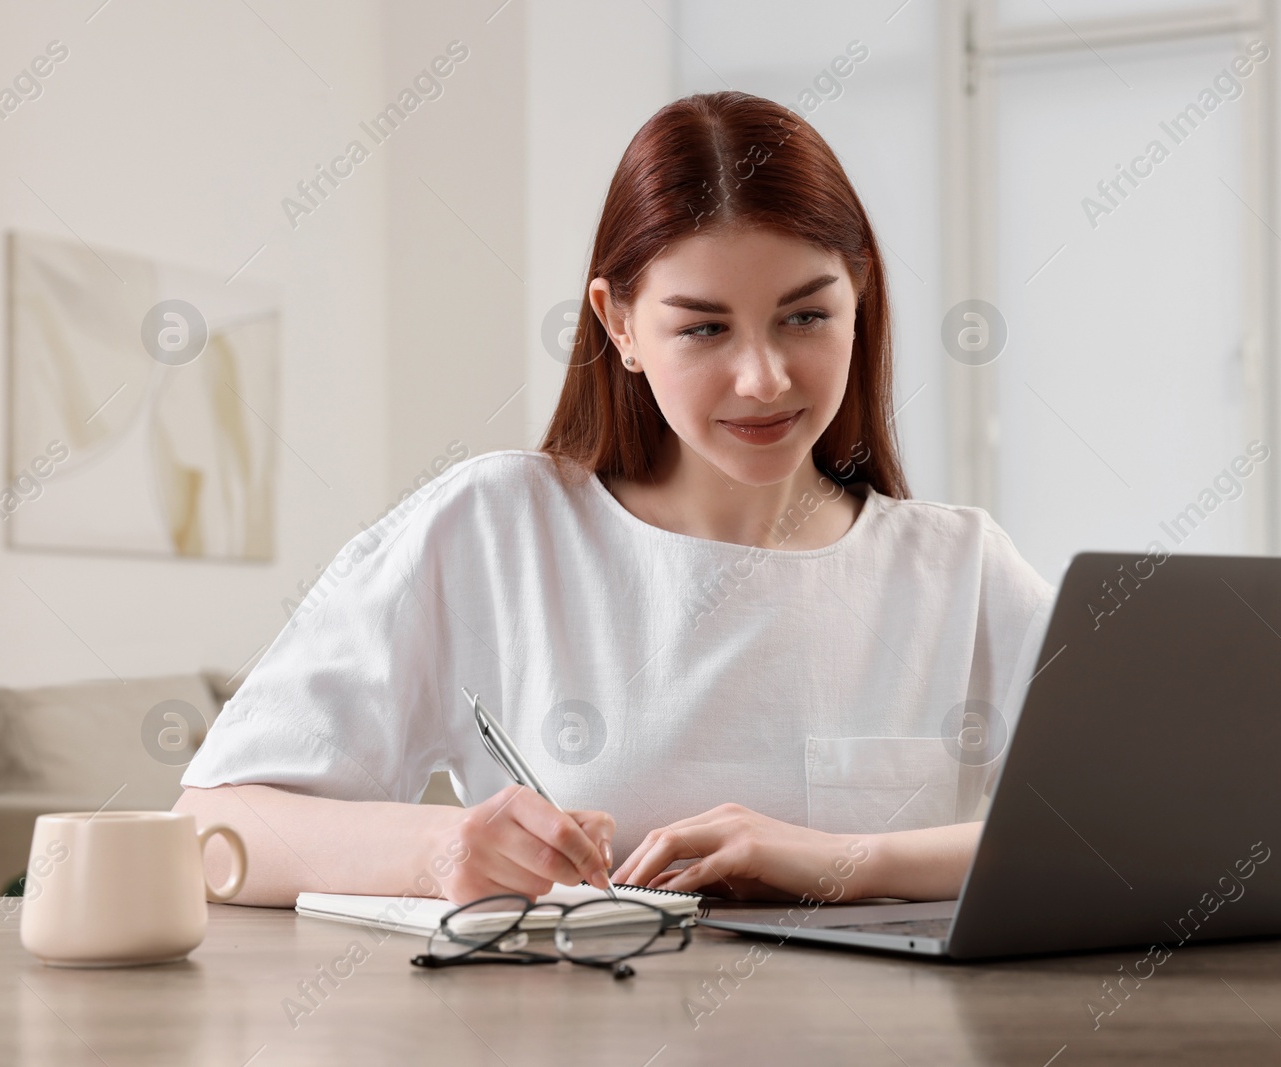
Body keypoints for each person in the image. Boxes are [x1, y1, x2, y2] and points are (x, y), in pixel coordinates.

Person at [175, 90, 1054, 908]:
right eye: (705, 327)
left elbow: (1141, 834)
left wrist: (839, 859)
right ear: (621, 324)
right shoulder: (496, 526)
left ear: (859, 299)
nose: (763, 377)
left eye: (805, 316)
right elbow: (210, 826)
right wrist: (443, 849)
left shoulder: (961, 569)